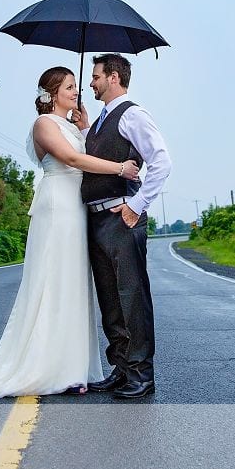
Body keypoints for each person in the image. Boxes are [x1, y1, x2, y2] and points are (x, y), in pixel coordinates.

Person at [0, 66, 140, 398]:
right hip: (58, 208)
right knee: (53, 280)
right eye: (70, 87)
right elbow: (72, 158)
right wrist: (119, 168)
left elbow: (83, 151)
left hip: (76, 209)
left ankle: (70, 369)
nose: (77, 92)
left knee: (72, 283)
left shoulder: (71, 125)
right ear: (52, 93)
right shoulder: (44, 124)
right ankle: (44, 367)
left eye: (77, 86)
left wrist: (85, 129)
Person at [82, 53, 171, 400]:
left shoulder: (132, 114)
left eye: (96, 76)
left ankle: (141, 374)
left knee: (131, 296)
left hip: (121, 218)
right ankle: (121, 368)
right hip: (96, 218)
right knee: (110, 299)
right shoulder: (101, 120)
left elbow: (161, 162)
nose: (91, 83)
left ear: (114, 77)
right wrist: (84, 127)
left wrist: (136, 206)